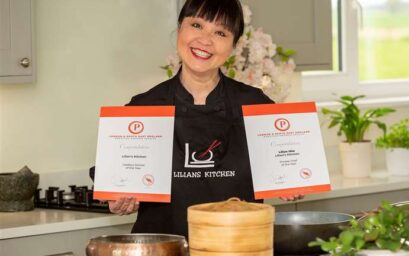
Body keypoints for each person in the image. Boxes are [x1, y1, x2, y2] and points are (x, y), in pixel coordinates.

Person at [91, 0, 303, 237]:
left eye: (220, 32)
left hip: (238, 248)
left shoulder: (255, 105)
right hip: (164, 251)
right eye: (197, 25)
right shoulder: (143, 107)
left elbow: (288, 167)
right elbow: (115, 181)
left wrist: (293, 180)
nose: (205, 40)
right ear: (180, 28)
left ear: (234, 45)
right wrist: (117, 199)